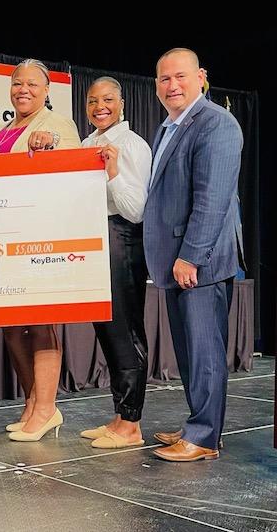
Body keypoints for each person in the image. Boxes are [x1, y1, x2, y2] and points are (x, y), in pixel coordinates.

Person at [145, 48, 242, 462]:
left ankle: (203, 437)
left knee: (203, 350)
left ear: (201, 77)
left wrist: (191, 256)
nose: (173, 85)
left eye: (180, 76)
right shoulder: (168, 127)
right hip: (178, 261)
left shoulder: (216, 123)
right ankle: (199, 425)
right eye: (165, 79)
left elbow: (212, 199)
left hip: (199, 260)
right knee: (188, 350)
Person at [0, 59, 81, 442]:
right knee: (11, 327)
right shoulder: (6, 128)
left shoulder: (56, 125)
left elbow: (71, 166)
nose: (23, 89)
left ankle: (47, 408)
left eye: (32, 84)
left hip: (39, 237)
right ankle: (33, 402)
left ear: (47, 89)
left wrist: (49, 145)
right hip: (4, 240)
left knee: (41, 322)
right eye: (17, 83)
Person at [79, 77, 152, 449]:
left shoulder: (131, 145)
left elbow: (136, 211)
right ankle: (121, 415)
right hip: (94, 237)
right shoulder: (87, 143)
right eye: (93, 101)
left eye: (107, 99)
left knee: (125, 330)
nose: (100, 107)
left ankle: (132, 425)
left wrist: (112, 173)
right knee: (107, 329)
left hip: (122, 237)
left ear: (122, 104)